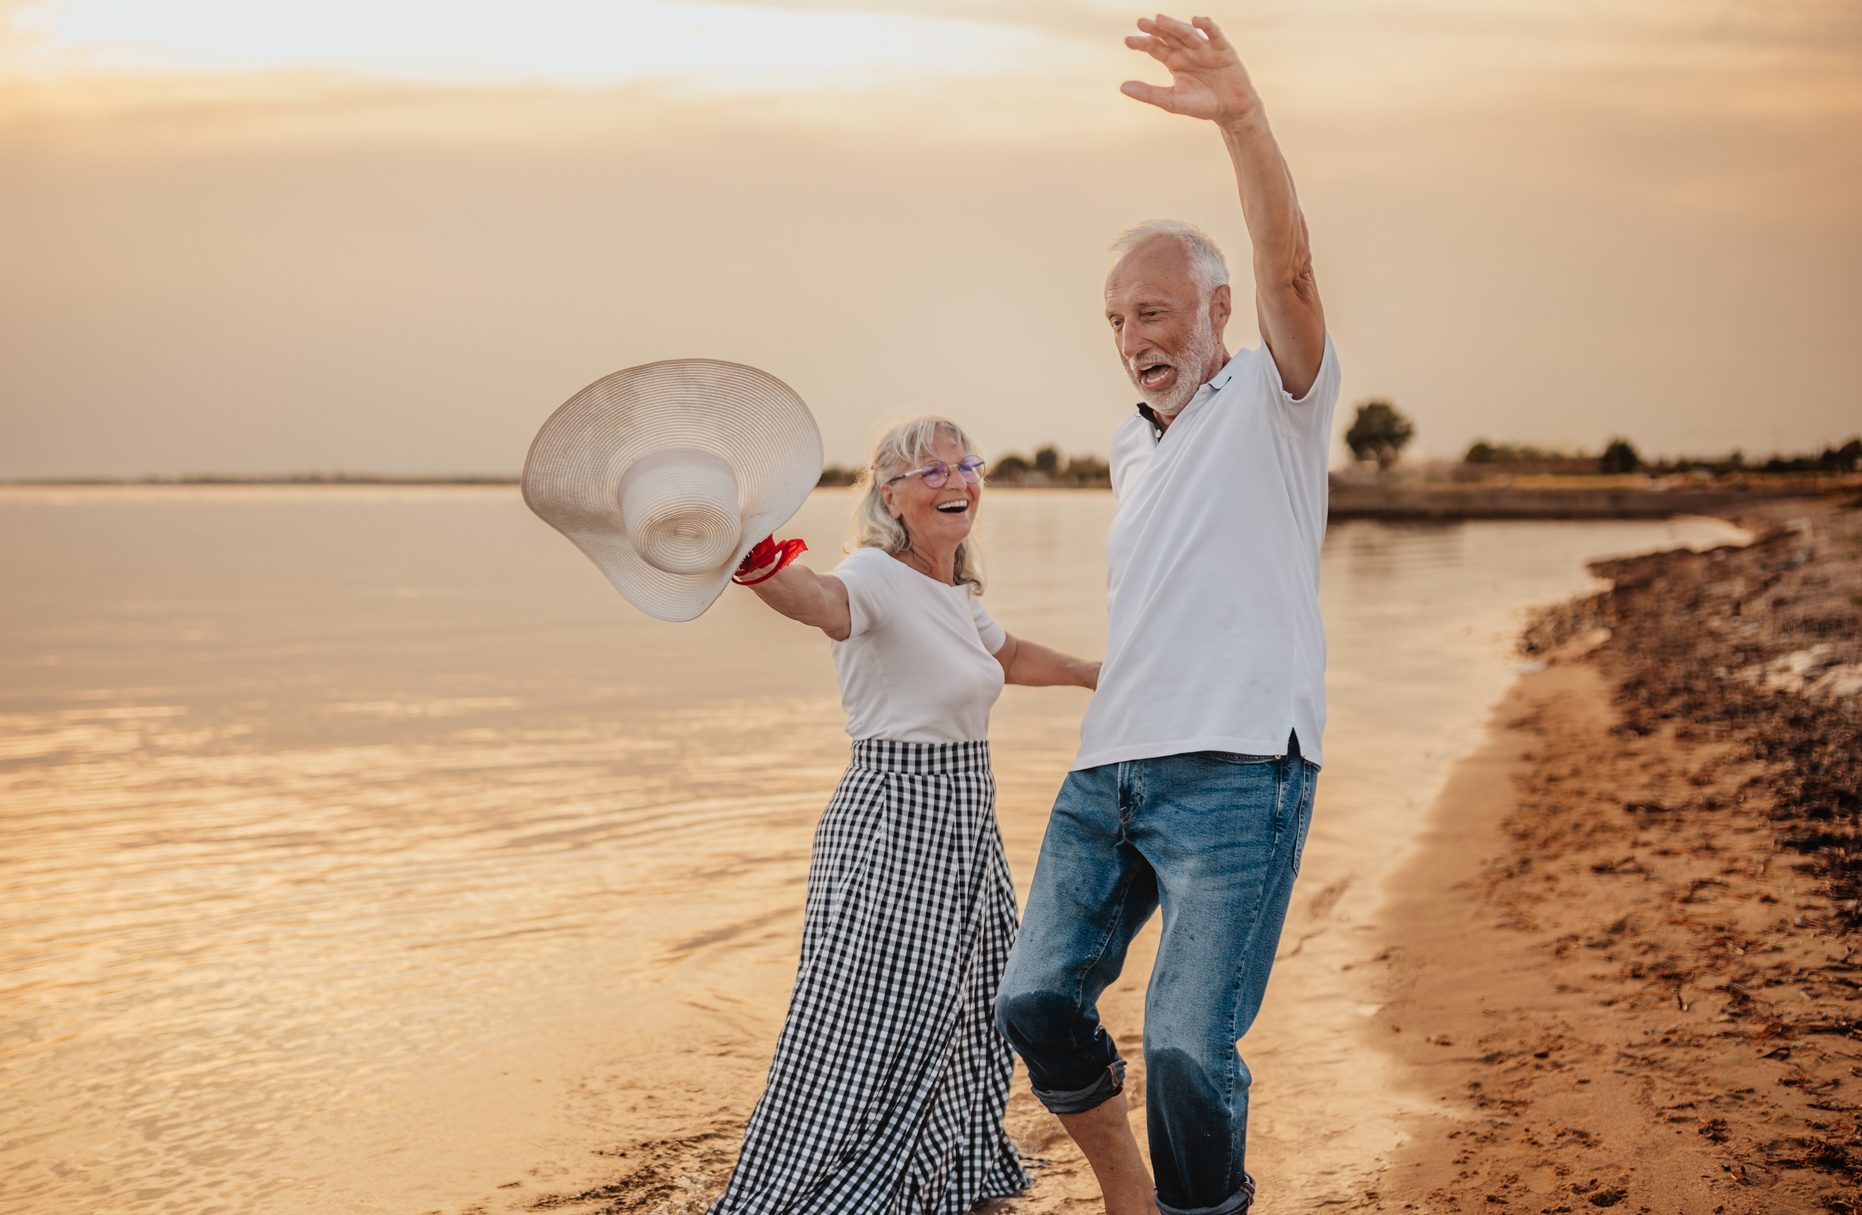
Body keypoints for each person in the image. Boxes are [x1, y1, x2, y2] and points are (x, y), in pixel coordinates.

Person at [993, 14, 1342, 1215]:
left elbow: (1291, 268)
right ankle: (1126, 1189)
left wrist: (1241, 120)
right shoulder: (1125, 450)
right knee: (1033, 1001)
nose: (1135, 339)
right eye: (1115, 320)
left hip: (1243, 773)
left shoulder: (1275, 400)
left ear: (1214, 310)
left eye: (1155, 312)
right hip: (1109, 778)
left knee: (1189, 1049)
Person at [709, 416, 1101, 1215]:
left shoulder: (951, 589)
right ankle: (827, 1182)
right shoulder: (873, 575)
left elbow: (1007, 655)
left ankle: (942, 1169)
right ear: (889, 493)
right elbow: (819, 601)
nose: (956, 481)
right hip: (894, 822)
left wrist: (1100, 673)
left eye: (967, 467)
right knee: (874, 1017)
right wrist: (755, 558)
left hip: (965, 824)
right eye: (931, 471)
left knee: (973, 1004)